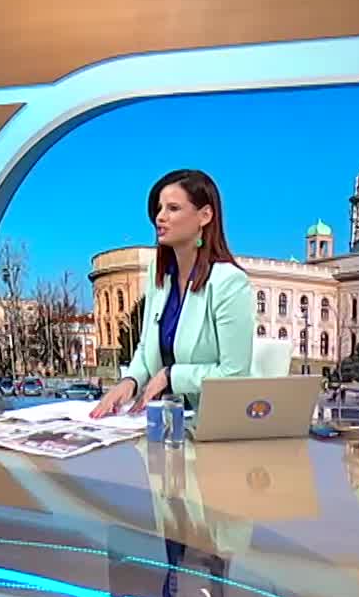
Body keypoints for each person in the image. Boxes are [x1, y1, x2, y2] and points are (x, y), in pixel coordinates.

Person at [91, 169, 252, 418]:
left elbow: (235, 375)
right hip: (162, 419)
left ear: (205, 215)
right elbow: (146, 347)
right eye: (158, 209)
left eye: (173, 208)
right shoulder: (159, 274)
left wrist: (171, 376)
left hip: (212, 422)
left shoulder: (229, 282)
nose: (160, 217)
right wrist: (131, 381)